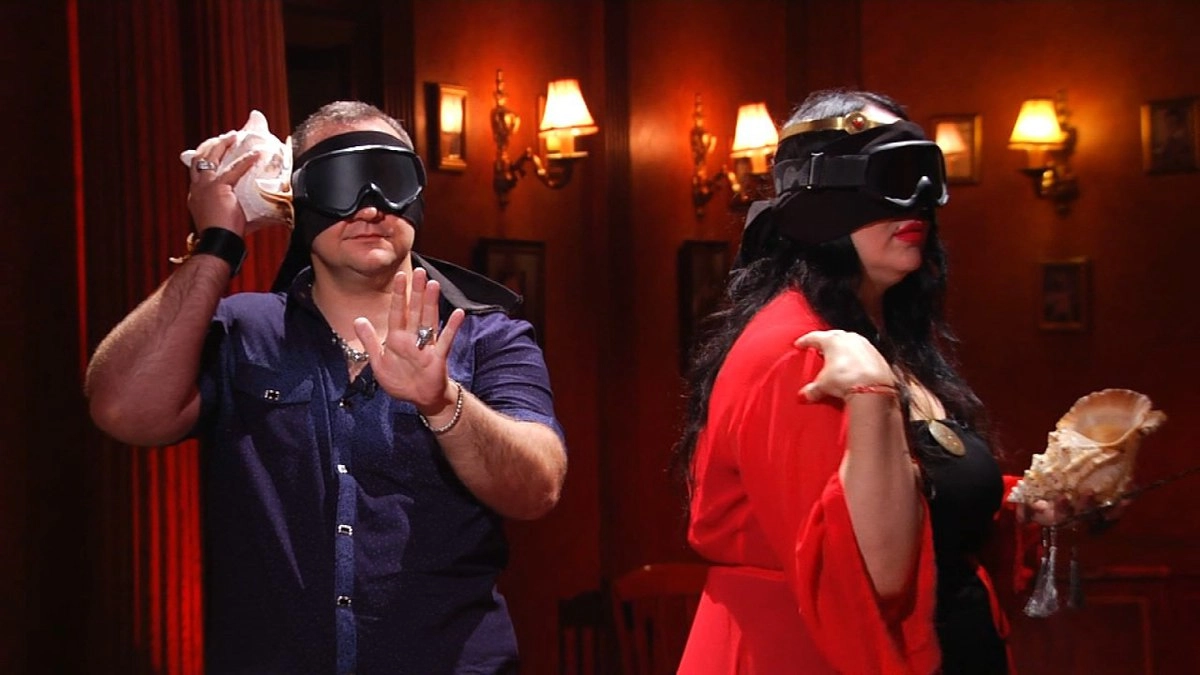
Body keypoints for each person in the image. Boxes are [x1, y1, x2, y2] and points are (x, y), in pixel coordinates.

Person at [85, 101, 568, 674]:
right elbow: (123, 410)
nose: (370, 205)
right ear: (296, 198)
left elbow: (537, 488)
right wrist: (218, 242)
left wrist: (443, 402)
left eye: (389, 178)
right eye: (338, 181)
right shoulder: (245, 331)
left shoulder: (487, 337)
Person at [674, 89, 1098, 674]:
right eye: (892, 176)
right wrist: (873, 397)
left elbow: (917, 501)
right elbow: (871, 571)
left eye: (928, 176)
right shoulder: (800, 350)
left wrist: (1025, 507)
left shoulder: (883, 339)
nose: (918, 200)